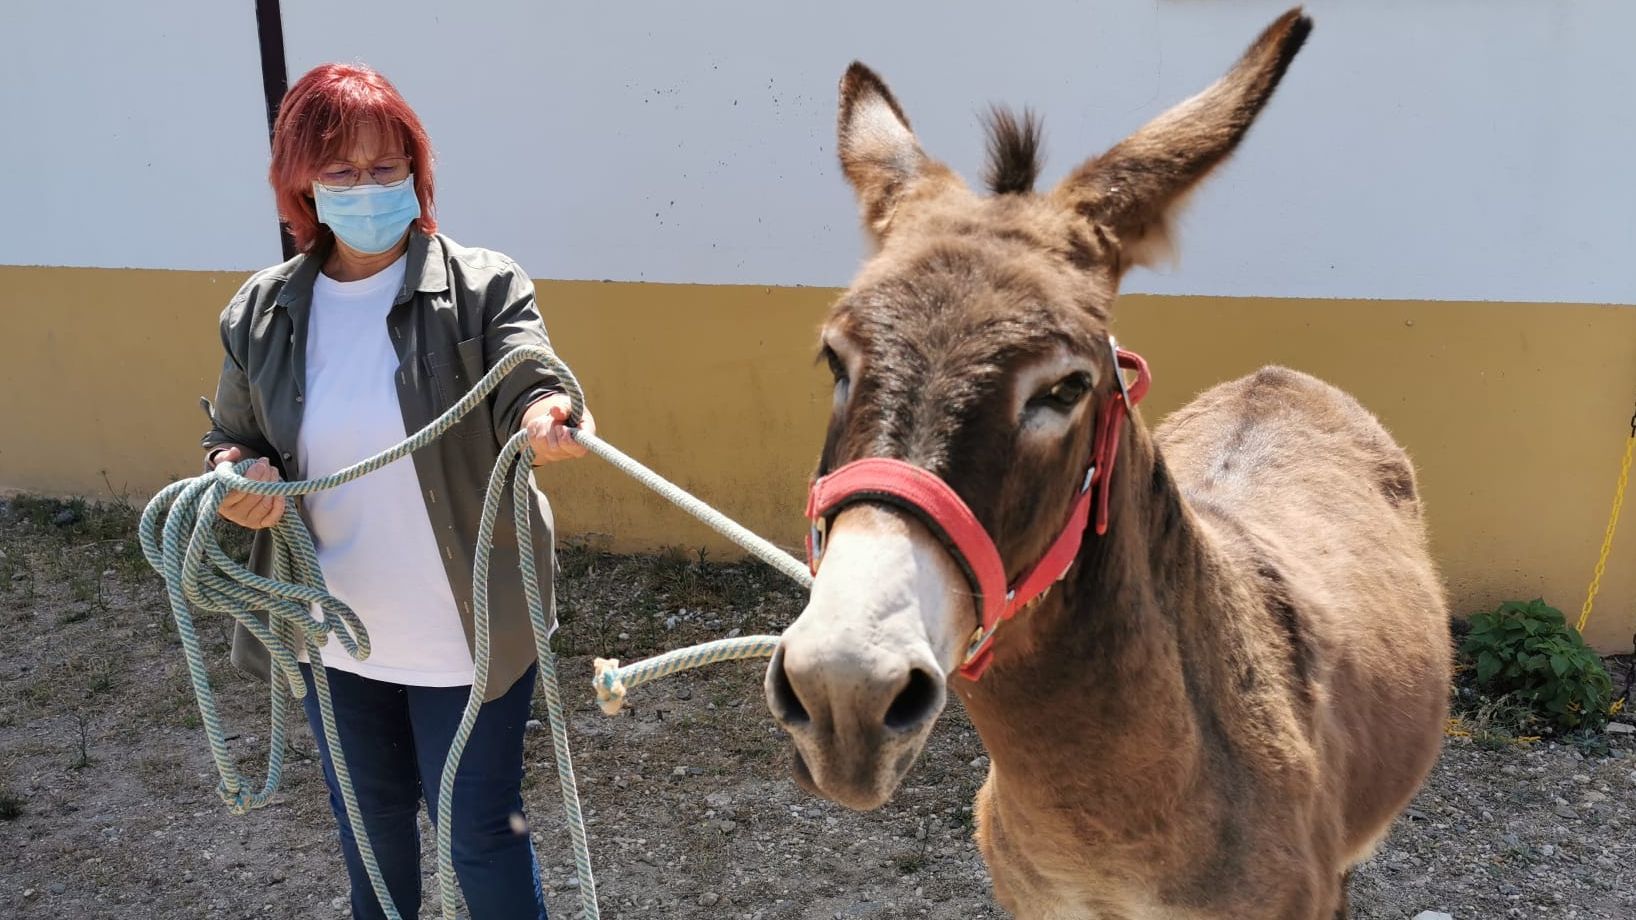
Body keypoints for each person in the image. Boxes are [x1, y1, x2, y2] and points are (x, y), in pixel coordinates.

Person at [199, 62, 592, 920]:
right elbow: (229, 441)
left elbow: (532, 373)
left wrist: (546, 413)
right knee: (370, 833)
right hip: (333, 632)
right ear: (302, 184)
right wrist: (235, 480)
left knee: (481, 832)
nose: (368, 188)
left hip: (469, 628)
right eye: (341, 172)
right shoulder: (261, 312)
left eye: (387, 168)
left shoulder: (483, 285)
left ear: (416, 172)